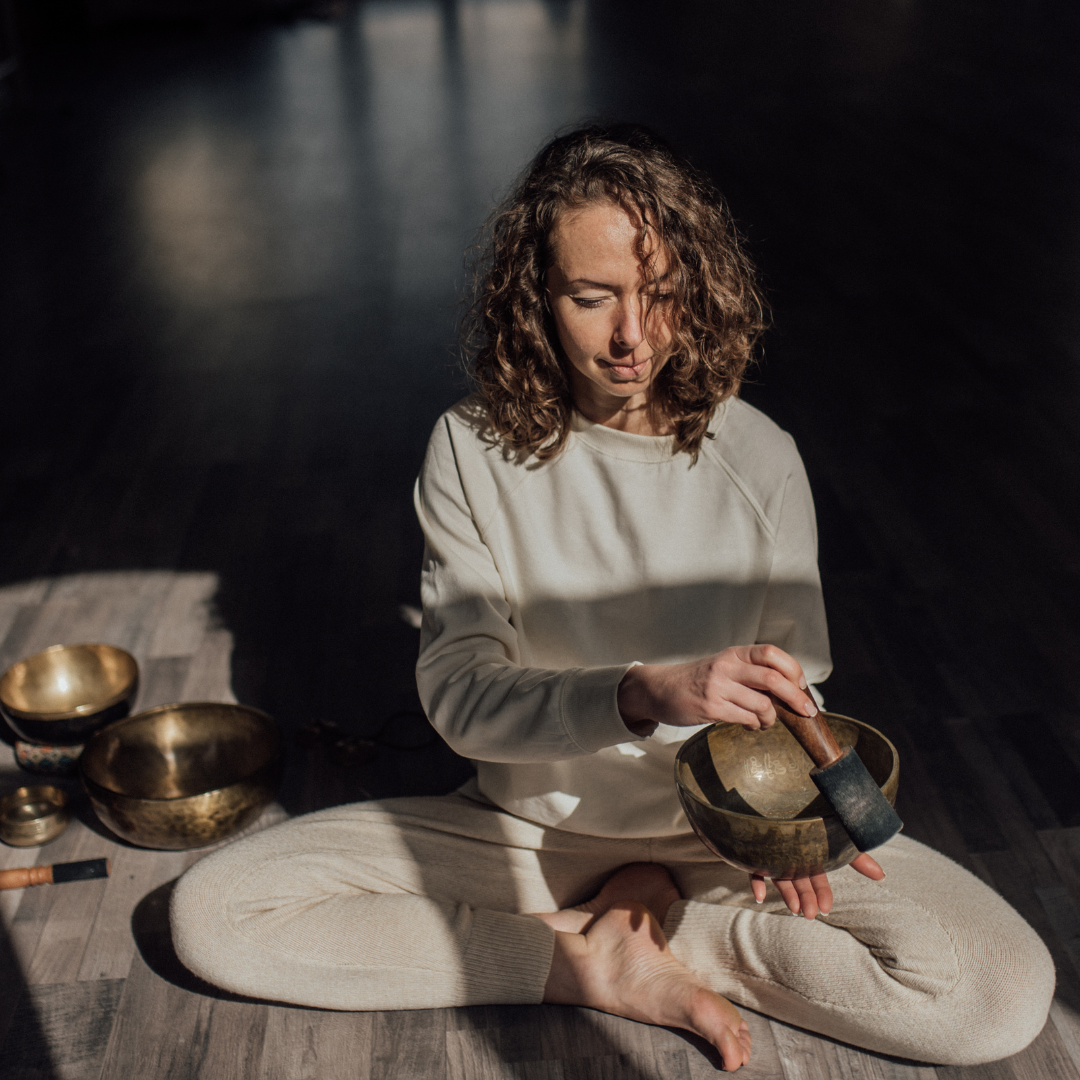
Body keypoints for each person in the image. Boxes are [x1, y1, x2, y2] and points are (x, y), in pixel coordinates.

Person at [171, 125, 1054, 1071]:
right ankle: (584, 962)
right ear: (536, 299)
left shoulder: (760, 458)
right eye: (593, 299)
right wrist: (640, 693)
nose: (633, 336)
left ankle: (654, 927)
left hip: (719, 845)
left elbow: (798, 697)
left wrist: (804, 829)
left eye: (662, 294)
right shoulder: (472, 450)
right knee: (216, 913)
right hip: (530, 837)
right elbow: (462, 700)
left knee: (996, 993)